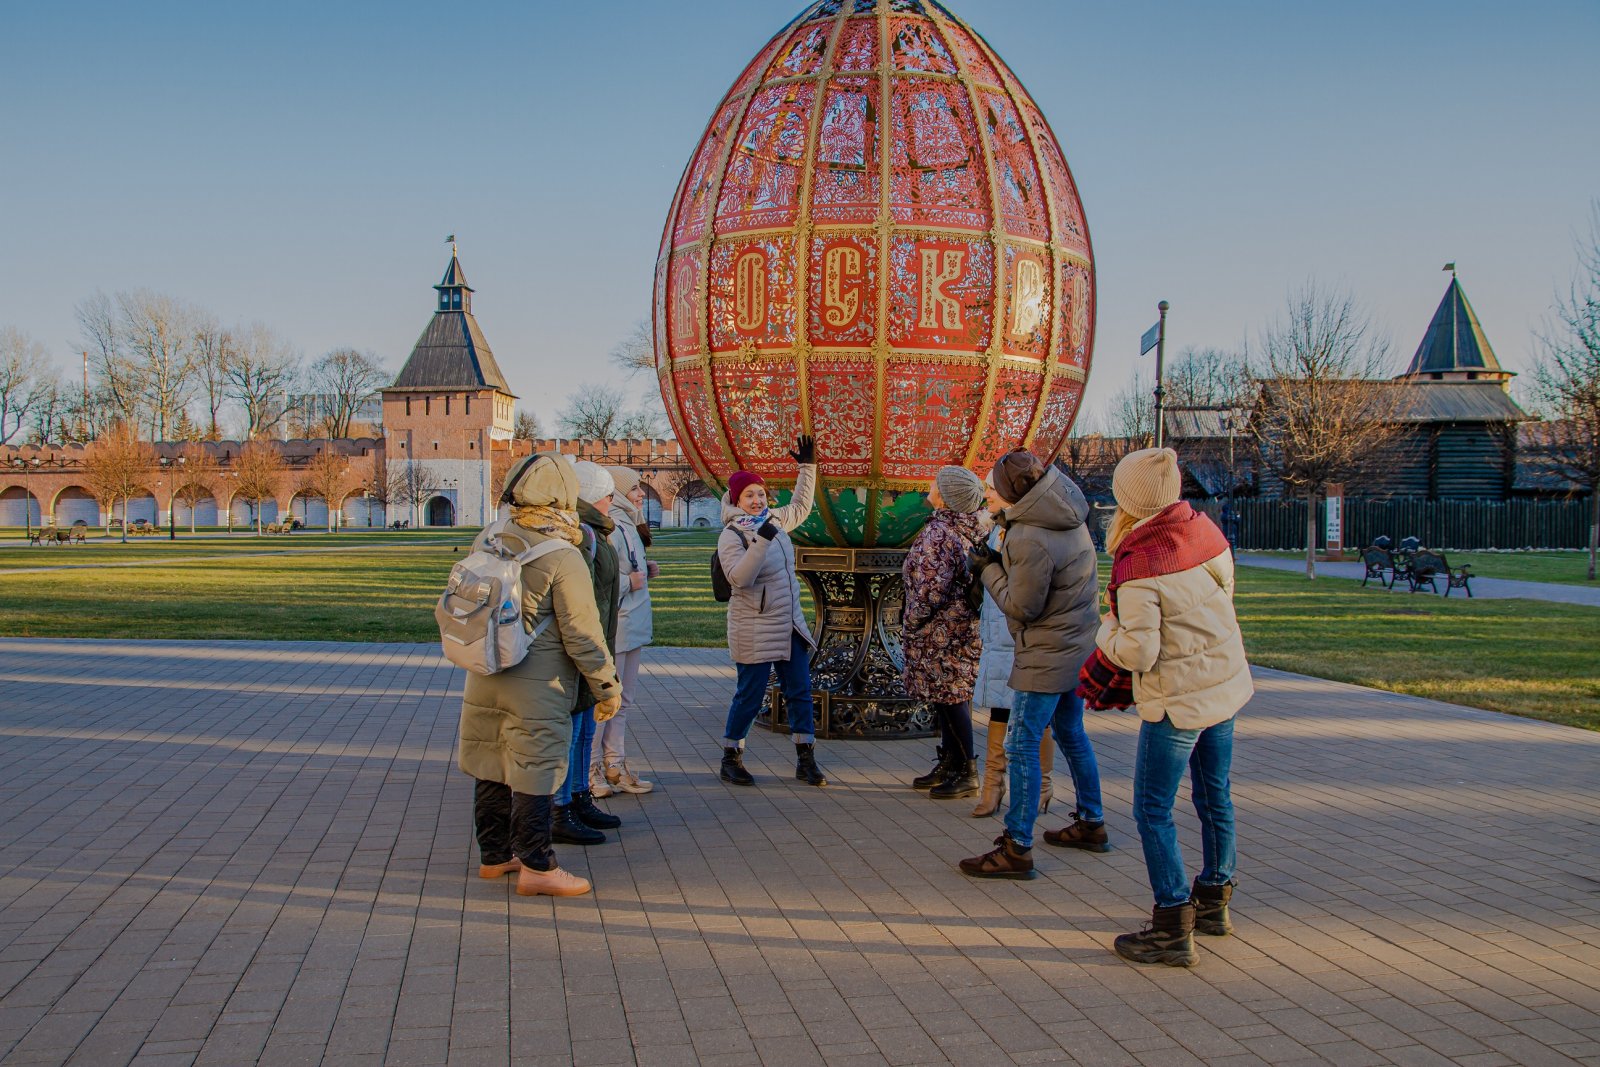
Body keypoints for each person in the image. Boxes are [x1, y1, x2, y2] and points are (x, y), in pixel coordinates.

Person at [1084, 448, 1252, 967]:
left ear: (1127, 500)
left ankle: (1172, 922)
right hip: (1221, 685)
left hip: (1177, 699)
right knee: (1214, 796)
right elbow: (1224, 594)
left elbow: (1139, 651)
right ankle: (1214, 899)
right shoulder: (1205, 531)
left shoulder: (1140, 566)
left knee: (1152, 809)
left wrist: (1104, 627)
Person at [459, 453, 621, 897]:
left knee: (491, 762)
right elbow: (584, 634)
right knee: (535, 767)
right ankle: (537, 864)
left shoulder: (489, 537)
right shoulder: (562, 554)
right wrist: (606, 686)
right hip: (540, 681)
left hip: (487, 668)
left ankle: (495, 856)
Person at [960, 449, 1106, 880]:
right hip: (1076, 645)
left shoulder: (1028, 536)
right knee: (1071, 734)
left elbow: (1023, 606)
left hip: (1046, 653)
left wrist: (988, 570)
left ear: (1010, 492)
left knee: (1021, 743)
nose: (985, 492)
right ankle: (1091, 821)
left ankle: (1017, 845)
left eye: (991, 486)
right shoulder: (1063, 514)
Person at [716, 434, 827, 788]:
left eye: (761, 493)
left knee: (800, 692)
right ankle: (731, 758)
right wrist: (761, 540)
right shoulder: (732, 535)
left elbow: (801, 507)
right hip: (754, 626)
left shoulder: (774, 521)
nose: (757, 499)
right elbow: (740, 578)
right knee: (749, 695)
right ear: (736, 499)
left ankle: (805, 759)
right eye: (749, 494)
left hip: (788, 625)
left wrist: (807, 467)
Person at [902, 466, 989, 799]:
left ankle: (966, 769)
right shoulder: (970, 526)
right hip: (962, 626)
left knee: (951, 699)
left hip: (940, 629)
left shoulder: (940, 532)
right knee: (952, 696)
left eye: (936, 483)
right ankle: (951, 762)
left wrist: (912, 620)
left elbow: (930, 588)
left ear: (946, 495)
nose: (930, 485)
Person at [551, 461, 625, 846]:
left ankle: (578, 795)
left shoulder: (596, 533)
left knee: (585, 728)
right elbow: (581, 599)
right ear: (600, 497)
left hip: (596, 643)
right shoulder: (582, 536)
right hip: (582, 646)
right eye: (612, 496)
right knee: (574, 729)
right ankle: (561, 807)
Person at [593, 465, 656, 797]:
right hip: (616, 624)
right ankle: (591, 771)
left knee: (624, 701)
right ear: (617, 492)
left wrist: (646, 571)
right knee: (605, 701)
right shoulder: (607, 527)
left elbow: (628, 566)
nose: (640, 494)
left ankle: (614, 764)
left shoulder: (628, 524)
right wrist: (628, 582)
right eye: (634, 489)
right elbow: (595, 580)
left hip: (633, 623)